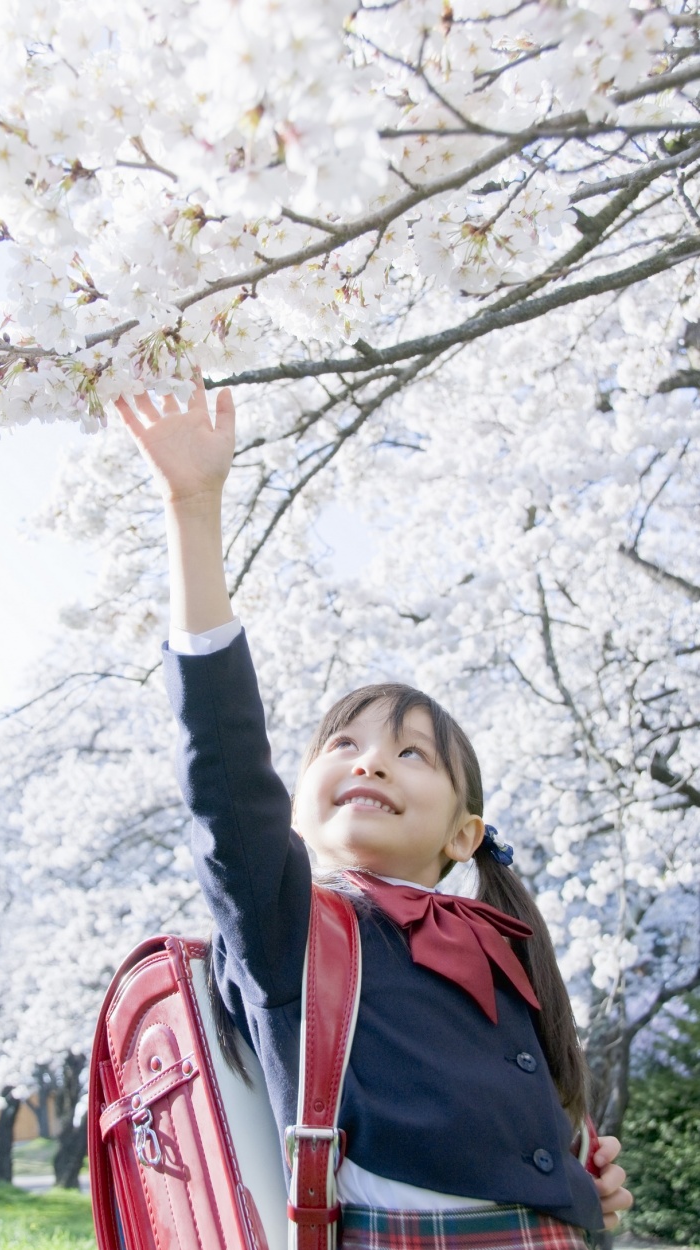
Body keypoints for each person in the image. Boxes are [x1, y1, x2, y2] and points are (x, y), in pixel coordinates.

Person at [115, 375, 633, 1250]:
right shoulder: (290, 930)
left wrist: (578, 1170)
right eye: (344, 744)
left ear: (464, 835)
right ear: (301, 809)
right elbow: (227, 769)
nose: (372, 759)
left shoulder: (502, 948)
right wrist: (193, 511)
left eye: (412, 753)